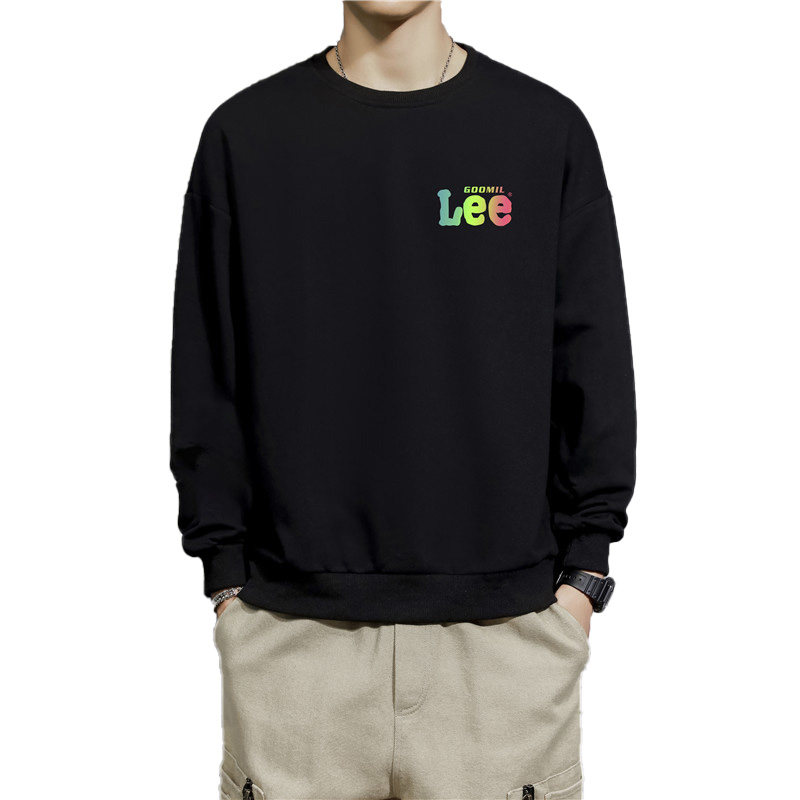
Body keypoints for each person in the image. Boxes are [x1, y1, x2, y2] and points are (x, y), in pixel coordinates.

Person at [170, 2, 636, 798]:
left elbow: (591, 360)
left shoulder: (541, 131)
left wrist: (582, 579)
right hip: (292, 642)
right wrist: (227, 584)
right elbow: (207, 370)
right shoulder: (246, 135)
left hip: (505, 646)